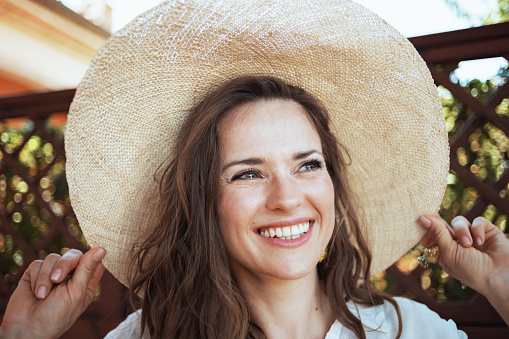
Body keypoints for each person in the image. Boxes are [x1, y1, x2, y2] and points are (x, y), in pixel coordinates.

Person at [1, 1, 509, 338]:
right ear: (204, 200)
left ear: (333, 183)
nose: (287, 198)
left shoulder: (412, 331)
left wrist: (504, 287)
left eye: (308, 165)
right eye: (247, 173)